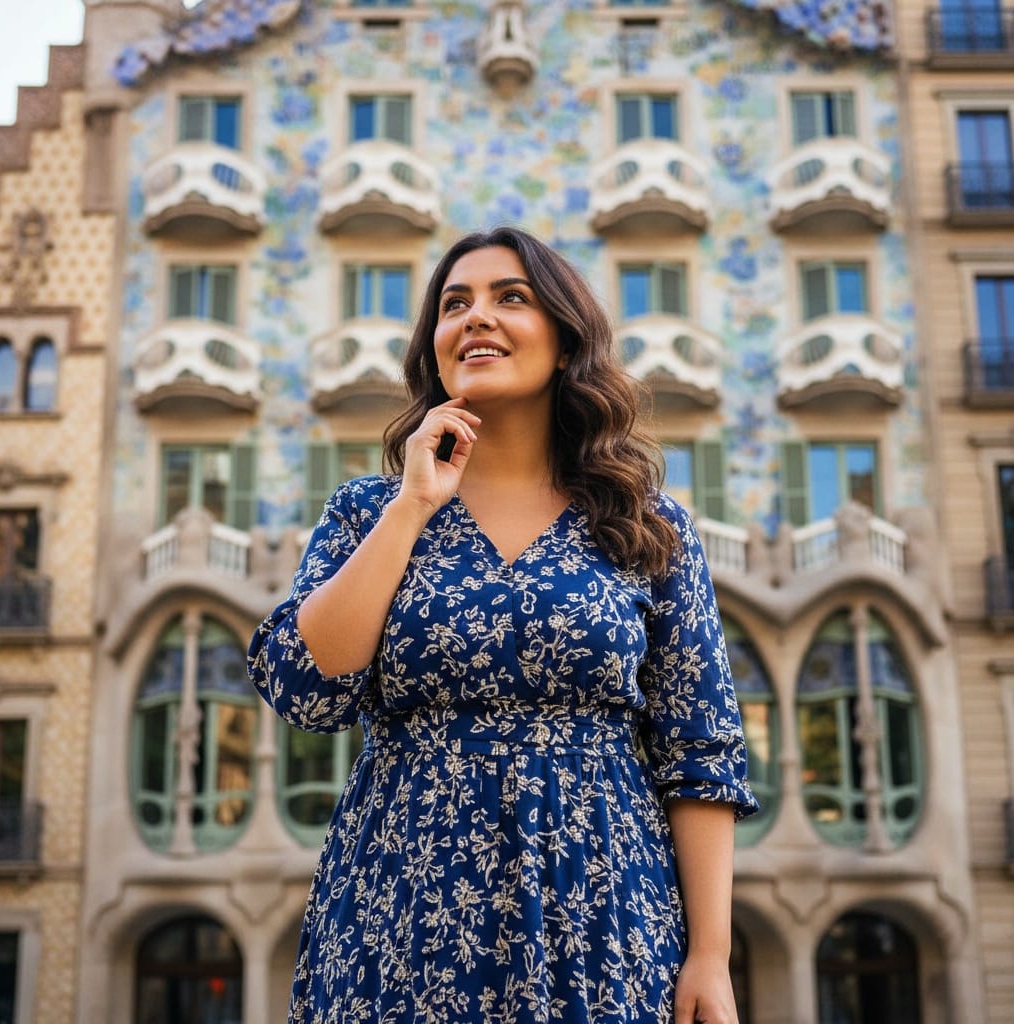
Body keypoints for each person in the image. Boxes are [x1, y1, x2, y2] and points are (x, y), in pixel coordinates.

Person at [248, 225, 758, 1024]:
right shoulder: (366, 513)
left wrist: (711, 957)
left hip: (605, 906)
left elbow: (701, 752)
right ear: (436, 348)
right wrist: (414, 504)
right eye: (455, 305)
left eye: (509, 298)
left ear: (564, 343)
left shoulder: (646, 526)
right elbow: (308, 690)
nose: (475, 317)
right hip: (400, 907)